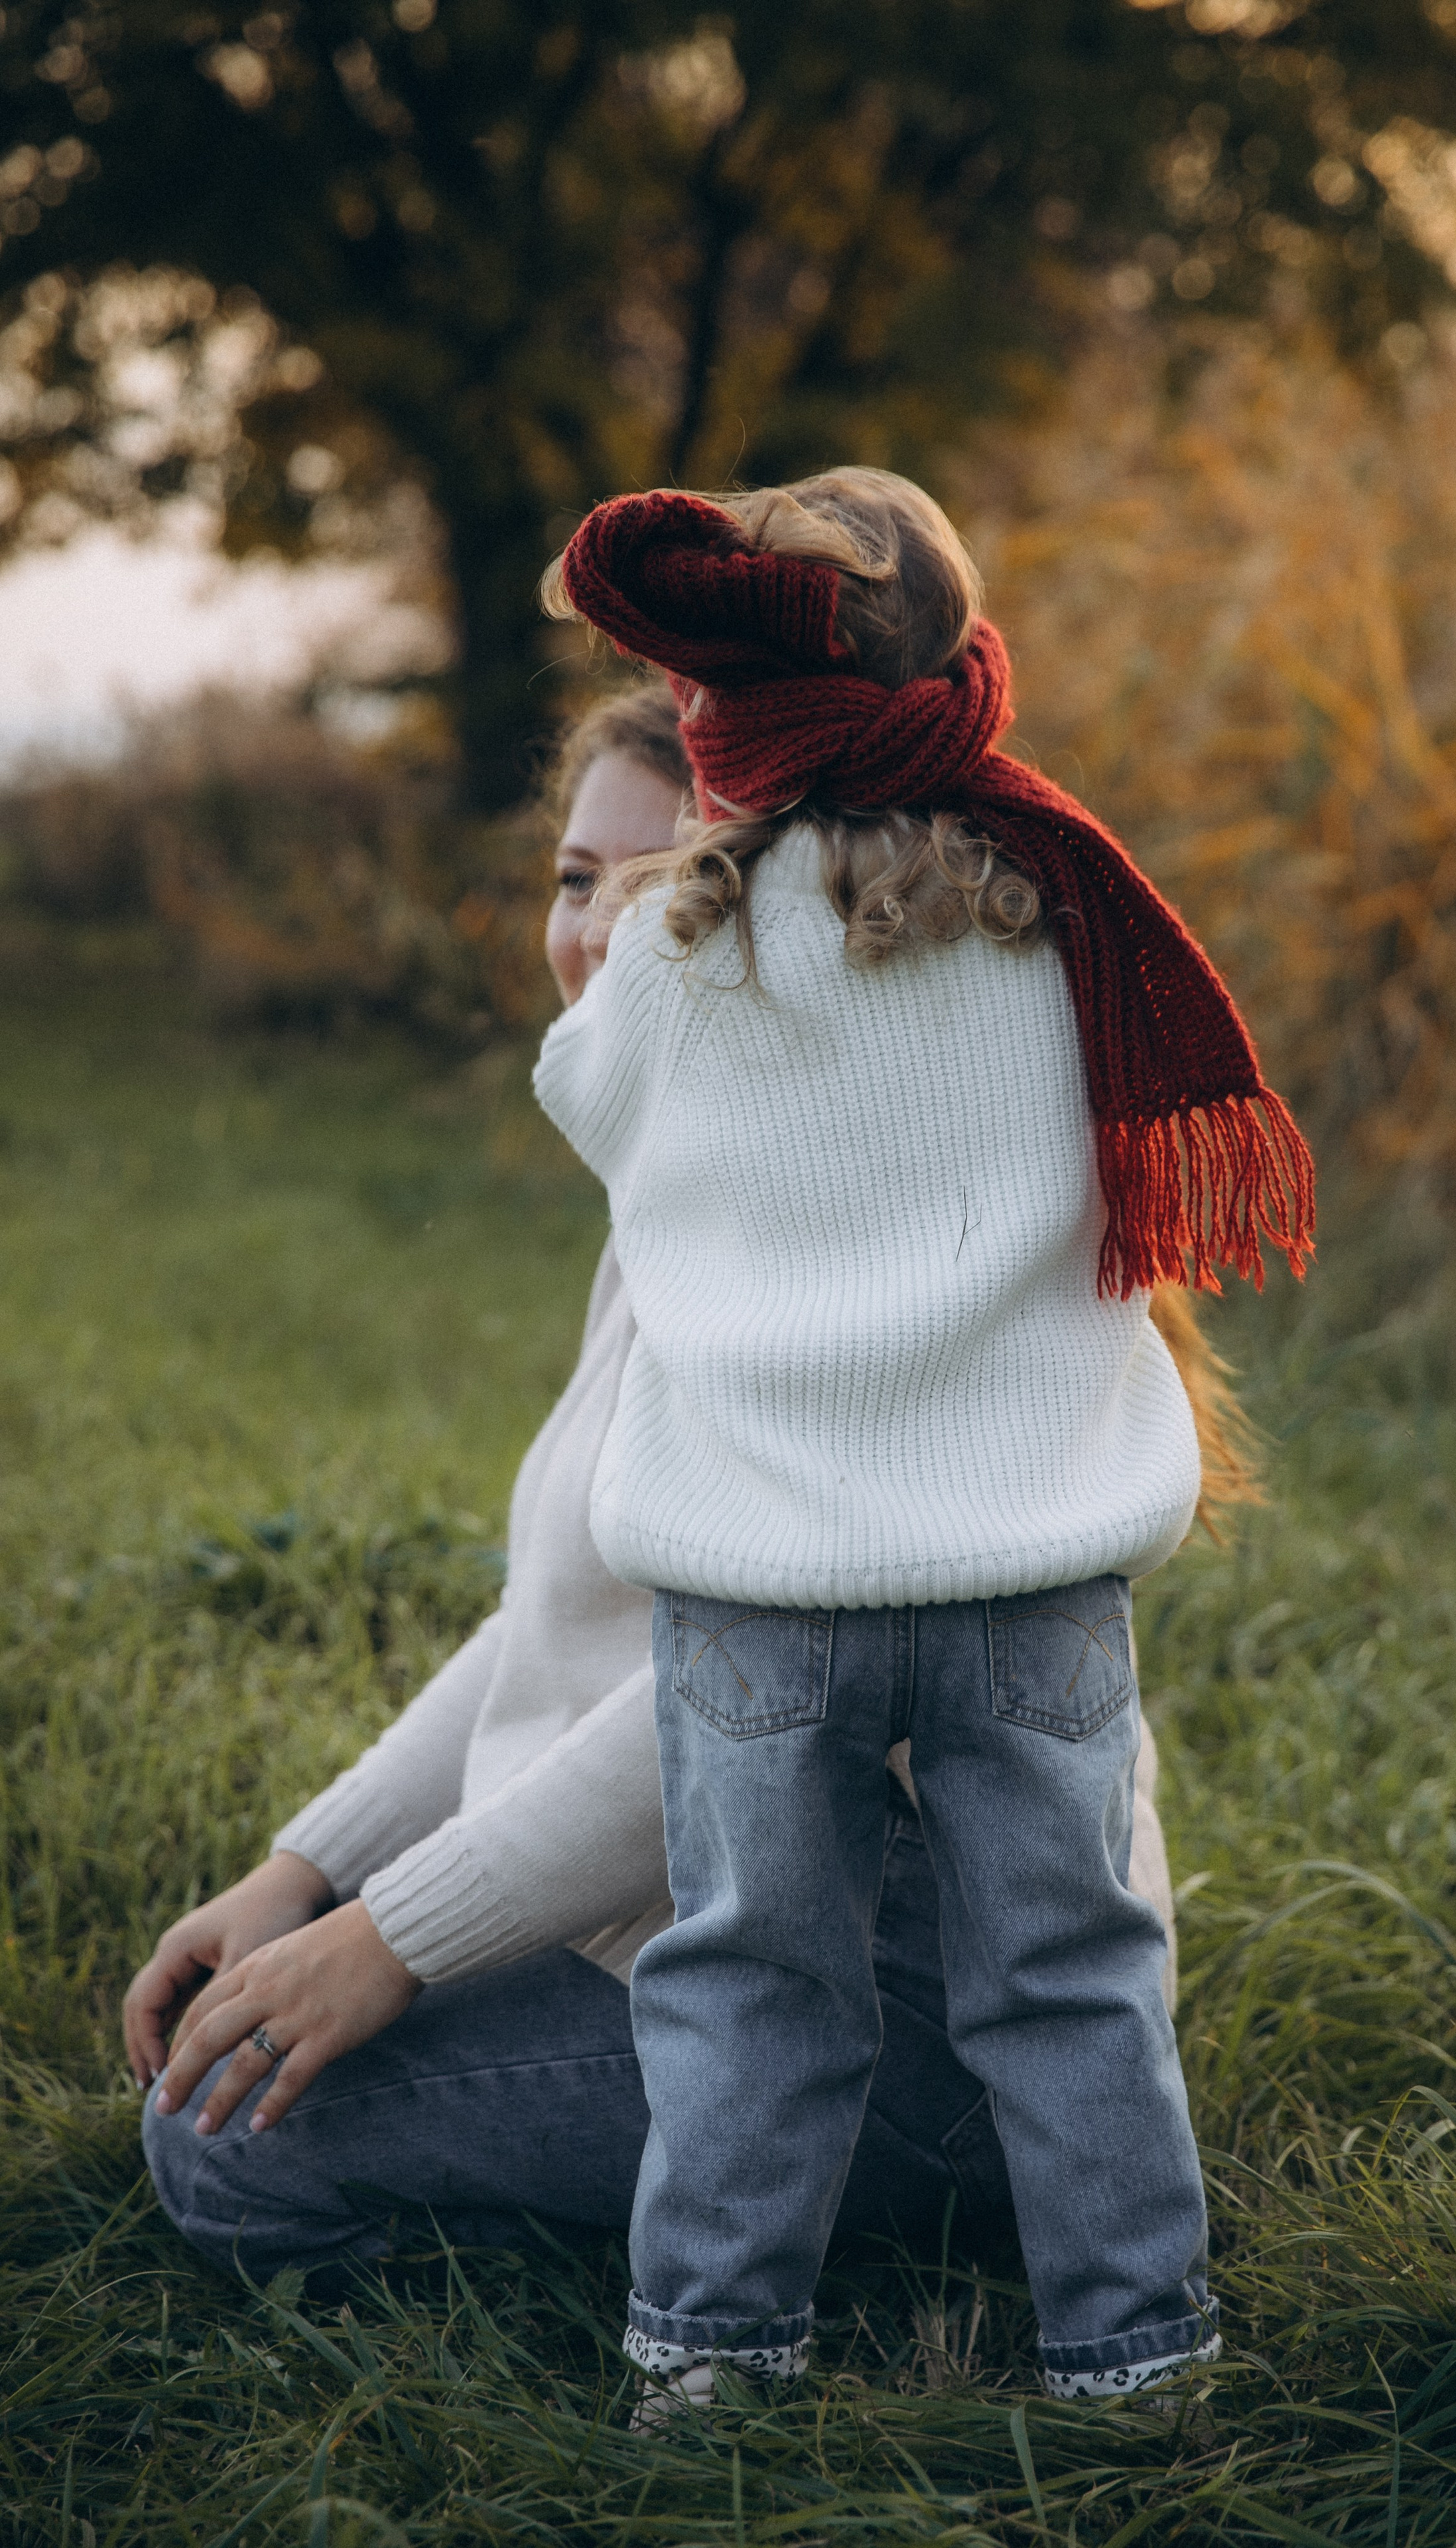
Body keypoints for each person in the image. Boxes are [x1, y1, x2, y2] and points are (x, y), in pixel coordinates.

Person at [130, 681, 1243, 2291]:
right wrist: (310, 1871)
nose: (596, 939)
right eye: (579, 878)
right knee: (227, 2055)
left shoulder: (834, 1273)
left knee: (223, 2141)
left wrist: (388, 1945)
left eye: (662, 893)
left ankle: (829, 2250)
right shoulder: (694, 1206)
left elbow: (752, 1703)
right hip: (745, 1923)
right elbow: (558, 1619)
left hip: (914, 2001)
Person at [530, 469, 1312, 2410]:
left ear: (735, 720)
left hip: (759, 1592)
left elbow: (580, 1102)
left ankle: (714, 2362)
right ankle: (1137, 2354)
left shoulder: (679, 957)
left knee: (751, 1985)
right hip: (1030, 1567)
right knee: (1071, 1970)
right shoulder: (1064, 920)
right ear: (954, 678)